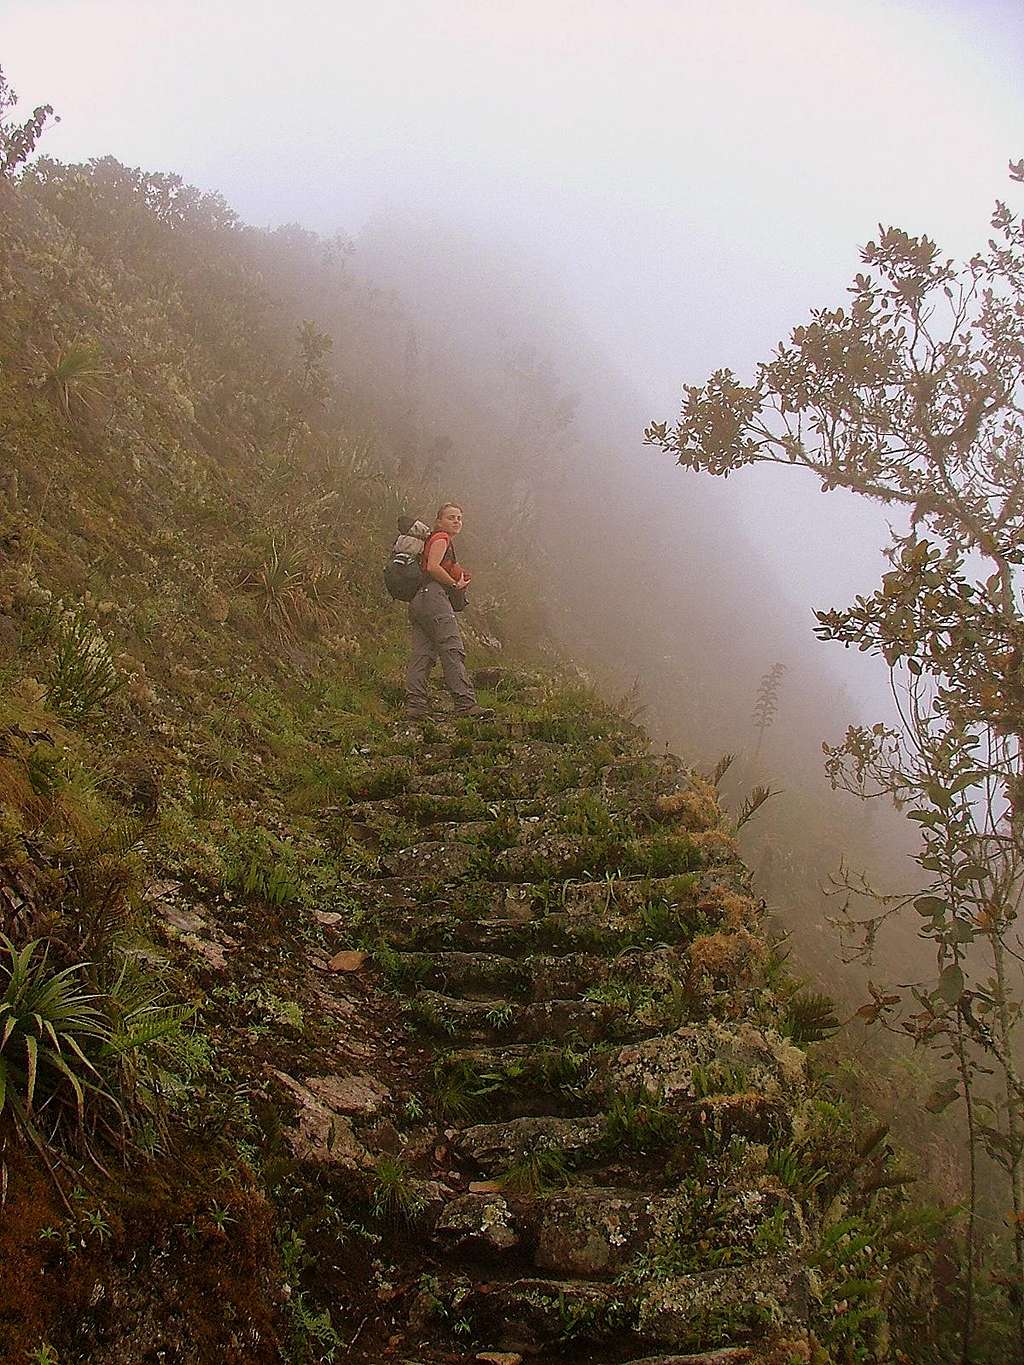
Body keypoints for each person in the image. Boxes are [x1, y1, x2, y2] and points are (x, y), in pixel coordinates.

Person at [405, 502, 494, 720]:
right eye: (451, 517)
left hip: (419, 600)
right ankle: (465, 703)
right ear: (439, 521)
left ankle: (416, 705)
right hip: (434, 597)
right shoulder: (441, 538)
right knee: (451, 648)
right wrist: (454, 585)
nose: (456, 521)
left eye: (459, 518)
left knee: (423, 653)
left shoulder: (433, 540)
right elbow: (432, 567)